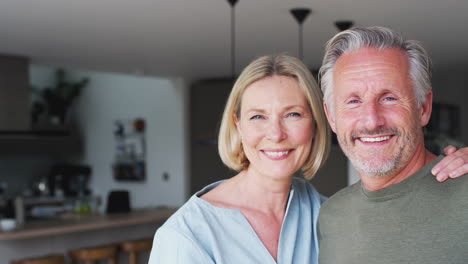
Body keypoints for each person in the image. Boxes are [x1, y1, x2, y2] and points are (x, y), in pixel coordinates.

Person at [149, 54, 468, 264]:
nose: (275, 133)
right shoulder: (184, 237)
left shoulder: (327, 213)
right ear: (238, 126)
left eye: (293, 114)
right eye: (258, 116)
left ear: (317, 123)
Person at [317, 26, 468, 264]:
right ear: (332, 116)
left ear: (424, 108)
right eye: (354, 101)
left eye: (389, 98)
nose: (372, 120)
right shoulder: (331, 216)